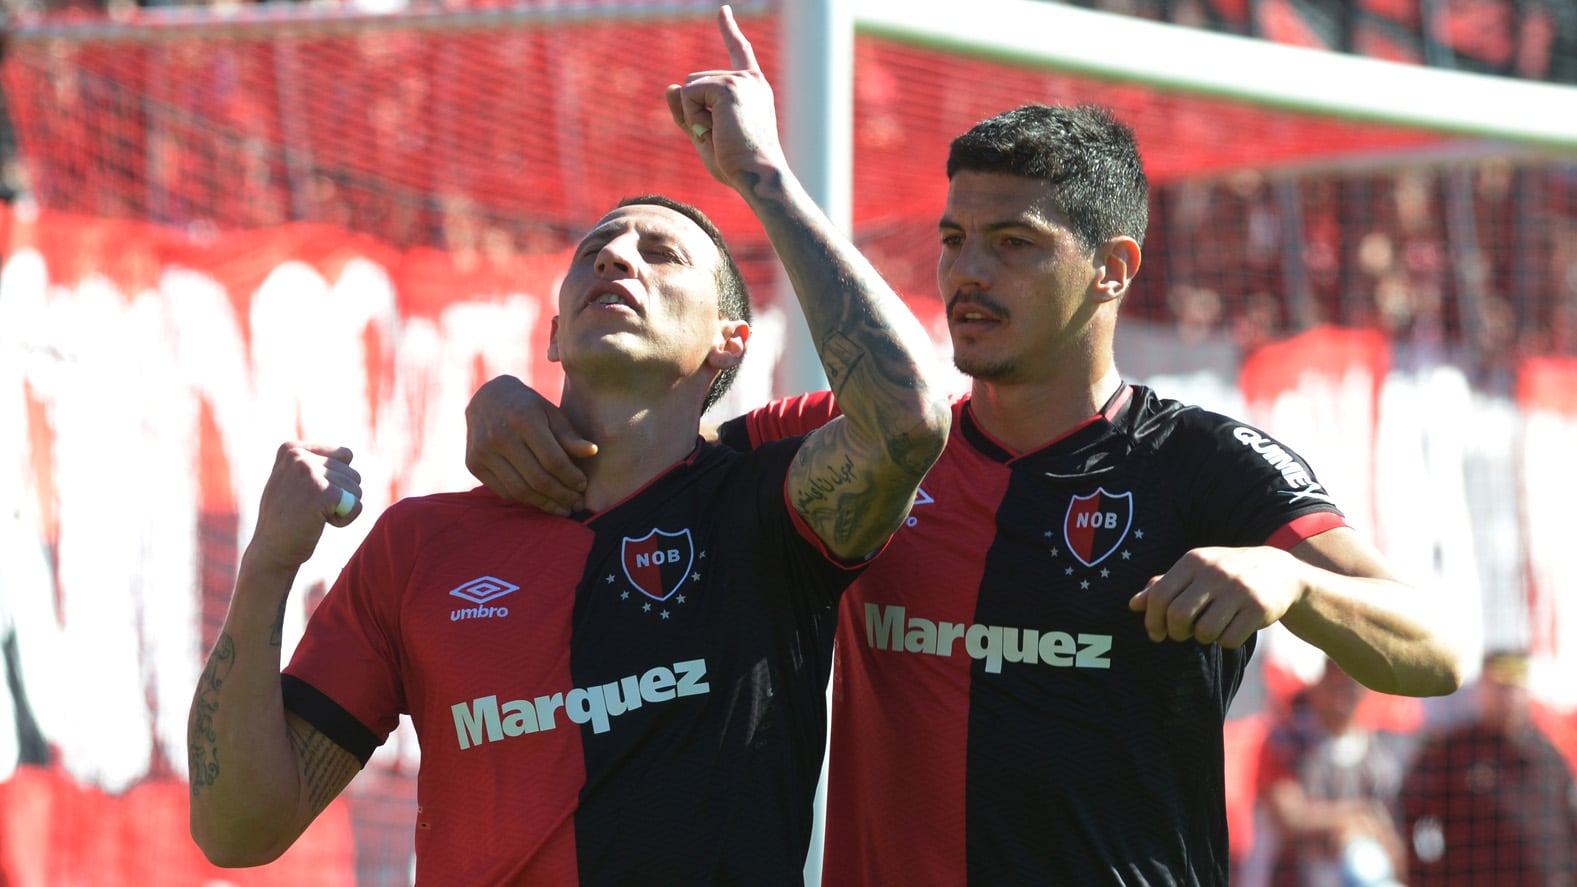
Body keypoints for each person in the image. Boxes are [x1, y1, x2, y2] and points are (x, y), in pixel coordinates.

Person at [464, 101, 1464, 883]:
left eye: (1014, 242)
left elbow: (1434, 649)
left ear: (1112, 269)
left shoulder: (1200, 463)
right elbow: (642, 459)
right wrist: (512, 404)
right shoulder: (859, 449)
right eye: (953, 238)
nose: (966, 273)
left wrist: (1290, 583)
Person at [185, 8, 951, 885]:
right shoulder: (417, 545)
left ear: (729, 341)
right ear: (551, 334)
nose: (619, 257)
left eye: (661, 254)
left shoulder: (772, 505)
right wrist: (268, 566)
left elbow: (909, 418)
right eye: (597, 249)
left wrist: (761, 173)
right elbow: (236, 831)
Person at [1399, 649, 1577, 886]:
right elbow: (1407, 814)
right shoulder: (1454, 753)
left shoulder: (1547, 755)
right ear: (1482, 690)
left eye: (1516, 687)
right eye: (1501, 687)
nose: (1510, 697)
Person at [1244, 660, 1410, 887]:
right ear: (1319, 685)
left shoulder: (1380, 756)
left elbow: (1394, 846)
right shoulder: (1286, 741)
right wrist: (1353, 818)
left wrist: (1369, 839)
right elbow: (1289, 818)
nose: (1343, 696)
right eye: (1336, 684)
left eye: (1350, 686)